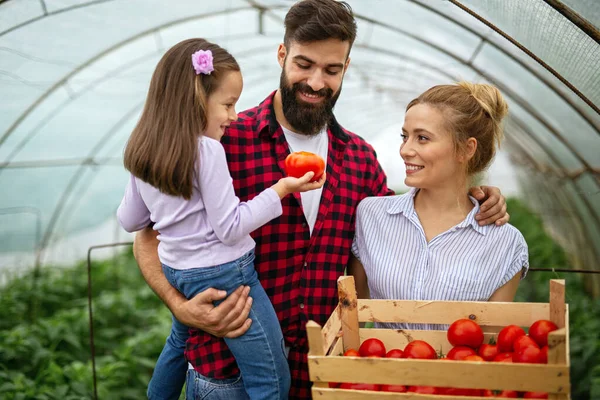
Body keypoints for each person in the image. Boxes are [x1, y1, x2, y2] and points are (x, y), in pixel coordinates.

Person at [132, 1, 510, 398]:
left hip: (323, 374)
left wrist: (472, 193)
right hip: (227, 375)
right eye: (304, 64)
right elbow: (148, 236)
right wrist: (180, 307)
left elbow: (403, 223)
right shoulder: (223, 141)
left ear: (346, 68)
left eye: (331, 70)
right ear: (282, 55)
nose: (315, 81)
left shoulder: (360, 160)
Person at [116, 38, 325, 400]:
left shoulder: (142, 147)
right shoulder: (208, 150)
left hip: (178, 273)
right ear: (195, 98)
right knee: (272, 378)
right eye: (227, 104)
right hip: (227, 275)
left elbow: (131, 220)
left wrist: (170, 208)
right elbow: (229, 228)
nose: (232, 116)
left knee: (177, 346)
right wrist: (281, 189)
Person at [349, 82, 528, 331]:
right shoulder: (371, 216)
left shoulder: (505, 244)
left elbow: (490, 347)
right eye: (405, 136)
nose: (405, 150)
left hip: (459, 370)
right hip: (381, 366)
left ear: (466, 149)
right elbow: (353, 316)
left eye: (422, 138)